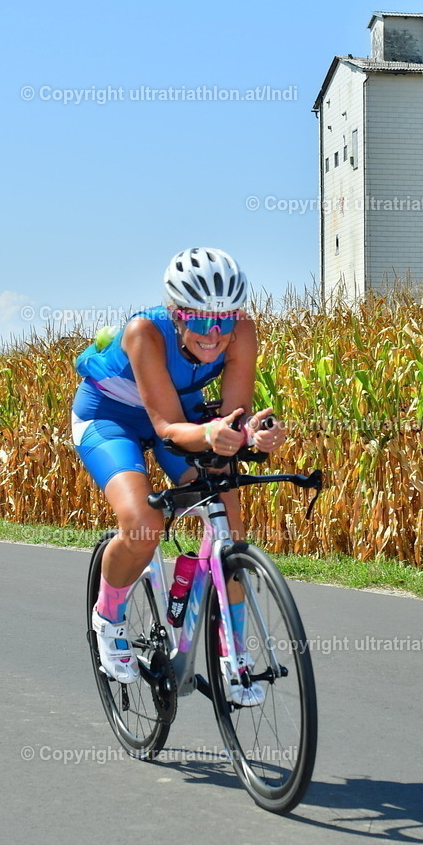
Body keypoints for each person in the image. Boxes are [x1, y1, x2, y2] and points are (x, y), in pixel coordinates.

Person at [71, 247, 285, 702]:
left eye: (224, 320)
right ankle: (108, 618)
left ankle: (233, 654)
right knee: (143, 525)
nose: (213, 332)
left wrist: (252, 433)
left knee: (227, 512)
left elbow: (234, 415)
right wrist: (212, 433)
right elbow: (166, 427)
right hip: (110, 417)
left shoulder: (241, 331)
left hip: (181, 414)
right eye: (199, 317)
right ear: (175, 313)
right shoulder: (145, 331)